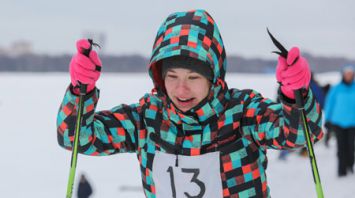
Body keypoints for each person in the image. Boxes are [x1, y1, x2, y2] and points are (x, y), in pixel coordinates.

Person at [57, 9, 323, 198]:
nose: (181, 89)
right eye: (171, 76)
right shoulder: (146, 118)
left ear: (213, 76)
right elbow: (75, 137)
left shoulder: (243, 112)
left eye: (193, 77)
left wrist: (294, 95)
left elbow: (301, 134)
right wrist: (81, 93)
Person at [324, 65, 355, 177]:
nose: (349, 76)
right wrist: (327, 119)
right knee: (341, 147)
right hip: (338, 122)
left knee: (351, 147)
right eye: (347, 74)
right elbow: (329, 104)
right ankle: (341, 170)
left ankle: (350, 165)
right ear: (343, 75)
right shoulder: (336, 89)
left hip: (352, 123)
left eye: (351, 74)